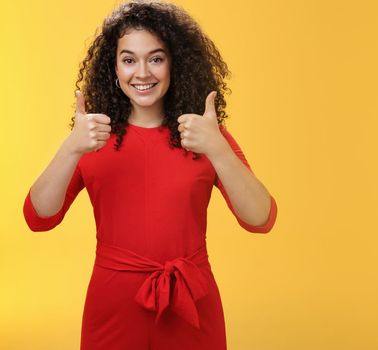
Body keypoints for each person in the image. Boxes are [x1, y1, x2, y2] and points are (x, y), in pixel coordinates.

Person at [21, 1, 278, 349]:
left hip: (191, 303)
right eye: (129, 59)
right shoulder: (92, 136)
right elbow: (38, 217)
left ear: (175, 64)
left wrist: (217, 148)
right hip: (112, 306)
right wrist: (70, 148)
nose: (142, 73)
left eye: (156, 58)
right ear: (113, 67)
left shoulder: (205, 134)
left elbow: (261, 218)